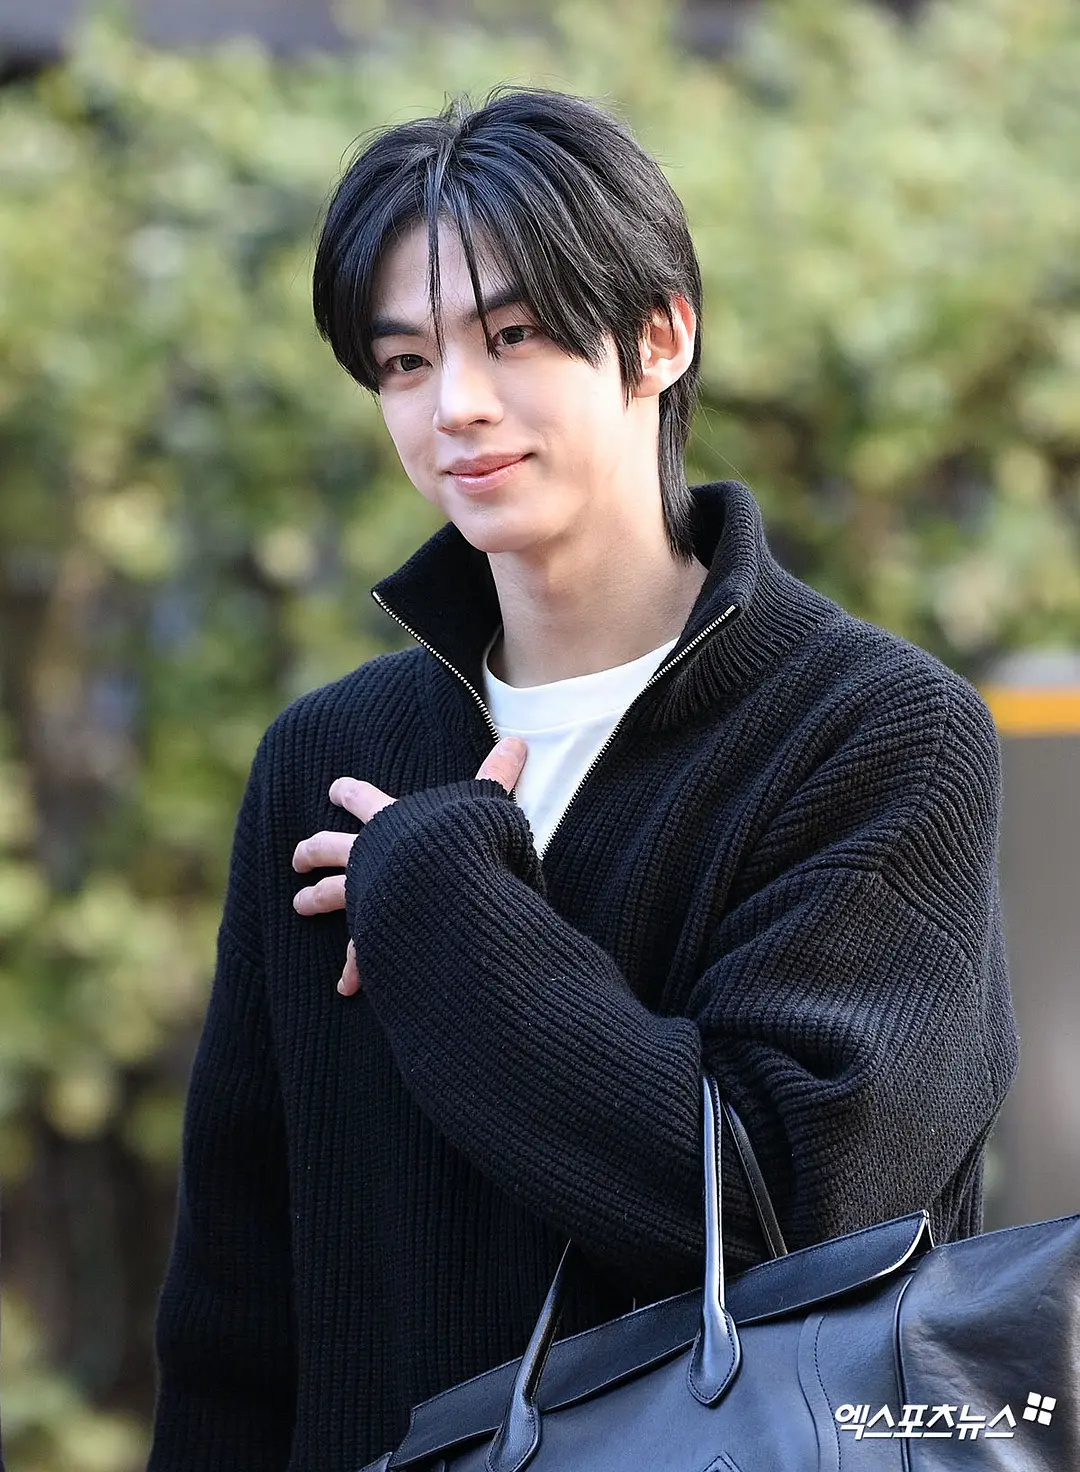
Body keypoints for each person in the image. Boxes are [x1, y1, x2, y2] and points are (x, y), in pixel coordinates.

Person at [148, 88, 1019, 1471]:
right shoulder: (330, 758)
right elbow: (237, 1309)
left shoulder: (873, 734)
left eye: (513, 336)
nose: (456, 406)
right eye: (403, 362)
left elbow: (792, 1222)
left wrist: (443, 905)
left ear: (660, 336)